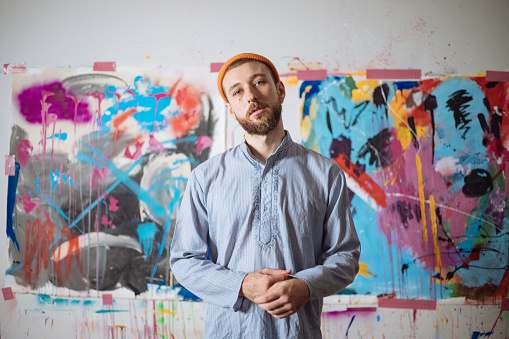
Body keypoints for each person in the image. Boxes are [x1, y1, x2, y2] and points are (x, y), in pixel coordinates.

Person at [170, 53, 361, 338]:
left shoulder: (326, 173)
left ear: (280, 90)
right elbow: (184, 260)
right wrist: (242, 284)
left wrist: (305, 286)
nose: (251, 96)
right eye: (238, 91)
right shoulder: (205, 177)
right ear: (231, 109)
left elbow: (345, 257)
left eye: (259, 82)